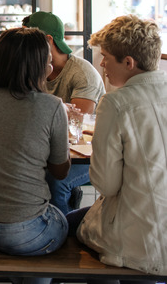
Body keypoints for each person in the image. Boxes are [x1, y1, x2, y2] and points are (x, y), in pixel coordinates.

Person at [0, 28, 70, 266]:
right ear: (39, 66)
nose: (51, 64)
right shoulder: (52, 106)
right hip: (25, 231)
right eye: (47, 60)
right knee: (67, 219)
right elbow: (61, 172)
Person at [70, 15, 167, 275]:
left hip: (137, 240)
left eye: (106, 57)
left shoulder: (116, 103)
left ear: (128, 62)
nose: (101, 64)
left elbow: (106, 184)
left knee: (61, 228)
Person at [24, 11, 105, 214]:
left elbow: (77, 123)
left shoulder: (82, 73)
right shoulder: (32, 68)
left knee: (56, 181)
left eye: (29, 37)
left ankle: (63, 236)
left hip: (89, 155)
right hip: (51, 149)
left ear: (48, 40)